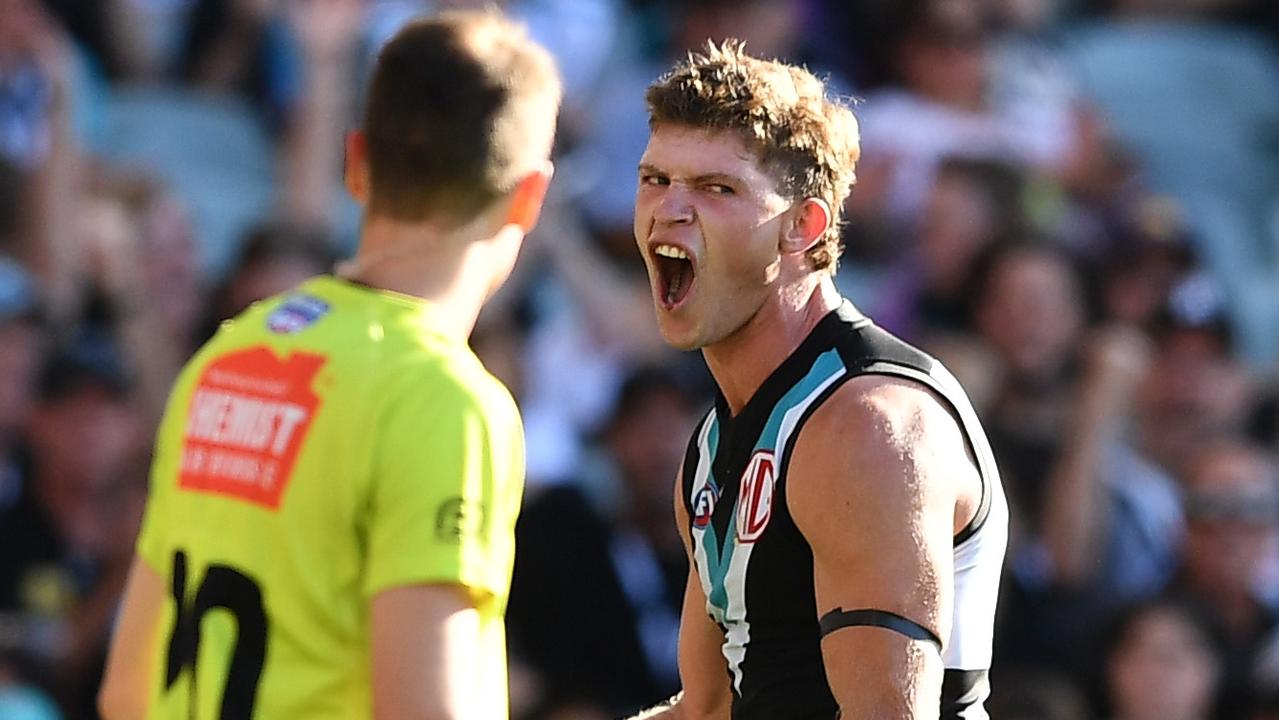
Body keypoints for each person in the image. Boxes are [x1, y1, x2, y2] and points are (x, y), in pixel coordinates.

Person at [97, 10, 561, 720]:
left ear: (355, 161)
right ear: (529, 196)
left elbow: (127, 693)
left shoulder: (229, 355)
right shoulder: (442, 399)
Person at [627, 41, 1008, 719]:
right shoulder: (719, 438)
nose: (669, 210)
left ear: (802, 227)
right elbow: (707, 710)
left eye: (716, 188)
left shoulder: (865, 423)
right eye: (655, 179)